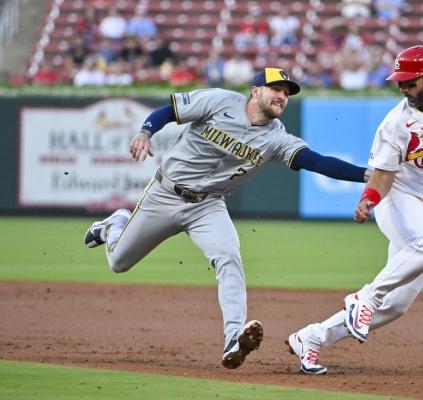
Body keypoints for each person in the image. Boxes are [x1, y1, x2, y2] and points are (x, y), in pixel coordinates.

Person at [83, 67, 371, 370]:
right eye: (276, 89)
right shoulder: (220, 101)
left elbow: (317, 162)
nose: (282, 96)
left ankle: (234, 338)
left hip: (208, 206)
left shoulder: (276, 139)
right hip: (166, 194)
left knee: (229, 256)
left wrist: (368, 174)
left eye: (287, 93)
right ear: (255, 90)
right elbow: (170, 111)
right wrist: (145, 132)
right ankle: (115, 225)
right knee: (119, 262)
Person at [286, 45, 423, 375]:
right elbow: (384, 174)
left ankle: (311, 337)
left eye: (410, 82)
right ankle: (365, 298)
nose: (403, 88)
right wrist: (369, 198)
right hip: (400, 199)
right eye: (400, 82)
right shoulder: (396, 122)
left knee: (396, 305)